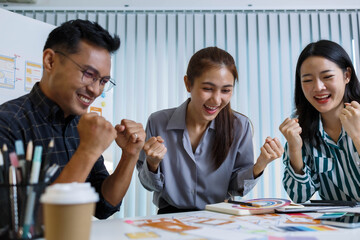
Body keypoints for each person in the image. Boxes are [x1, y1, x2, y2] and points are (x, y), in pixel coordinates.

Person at [0, 19, 145, 219]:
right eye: (88, 74)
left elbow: (104, 205)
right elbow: (21, 220)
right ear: (50, 61)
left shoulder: (82, 125)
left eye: (103, 81)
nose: (95, 90)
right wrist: (88, 150)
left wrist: (130, 155)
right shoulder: (7, 123)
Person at [137, 47, 284, 214]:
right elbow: (149, 185)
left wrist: (261, 164)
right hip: (170, 218)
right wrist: (152, 164)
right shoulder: (158, 122)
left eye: (226, 90)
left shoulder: (239, 126)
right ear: (188, 84)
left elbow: (236, 188)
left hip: (219, 218)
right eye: (207, 88)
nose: (216, 99)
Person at [279, 40, 360, 203]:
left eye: (327, 76)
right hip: (338, 225)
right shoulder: (302, 131)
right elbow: (299, 196)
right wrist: (295, 150)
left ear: (347, 75)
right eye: (308, 80)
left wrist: (357, 136)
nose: (318, 87)